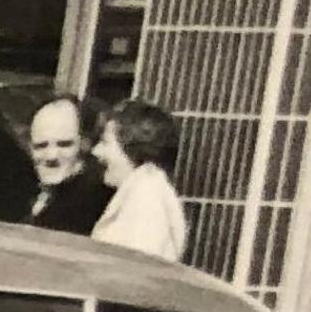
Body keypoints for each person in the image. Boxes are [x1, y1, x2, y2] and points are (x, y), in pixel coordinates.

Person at [89, 98, 188, 264]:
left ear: (133, 148)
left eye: (105, 142)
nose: (96, 151)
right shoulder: (141, 191)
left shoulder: (147, 198)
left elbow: (136, 273)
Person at [21, 92, 109, 238]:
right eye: (41, 146)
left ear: (85, 144)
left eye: (64, 145)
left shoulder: (92, 205)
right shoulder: (24, 190)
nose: (52, 156)